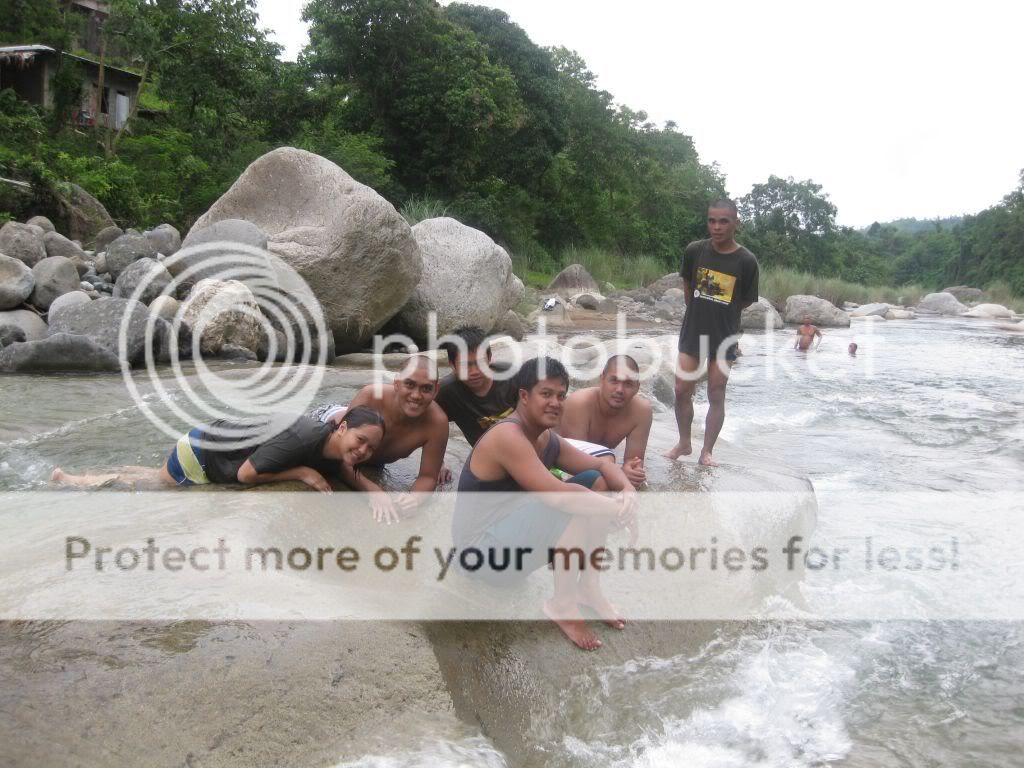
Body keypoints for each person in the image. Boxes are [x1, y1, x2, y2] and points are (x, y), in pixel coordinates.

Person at [453, 356, 638, 651]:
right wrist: (619, 512)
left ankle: (588, 586)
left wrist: (628, 491)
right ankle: (561, 604)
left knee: (593, 481)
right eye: (546, 394)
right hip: (481, 558)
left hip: (511, 542)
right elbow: (558, 496)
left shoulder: (546, 438)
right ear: (524, 397)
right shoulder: (507, 436)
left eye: (561, 396)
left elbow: (603, 467)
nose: (556, 402)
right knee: (570, 501)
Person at [51, 406, 386, 495]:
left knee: (157, 477)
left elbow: (343, 468)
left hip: (207, 441)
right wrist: (301, 473)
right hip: (199, 453)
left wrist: (373, 491)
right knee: (150, 486)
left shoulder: (329, 447)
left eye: (371, 448)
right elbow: (246, 474)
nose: (363, 451)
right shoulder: (303, 438)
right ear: (341, 428)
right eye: (360, 440)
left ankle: (81, 476)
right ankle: (72, 480)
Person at [666, 198, 759, 466]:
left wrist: (723, 313)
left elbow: (746, 300)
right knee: (682, 388)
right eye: (711, 220)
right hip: (693, 331)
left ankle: (707, 451)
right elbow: (688, 287)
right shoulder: (695, 251)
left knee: (716, 392)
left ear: (736, 224)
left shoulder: (746, 261)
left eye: (723, 221)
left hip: (725, 335)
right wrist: (700, 310)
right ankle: (684, 443)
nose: (716, 227)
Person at [311, 355, 449, 523]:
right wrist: (373, 490)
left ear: (436, 390)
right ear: (397, 383)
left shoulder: (437, 423)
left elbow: (428, 477)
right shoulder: (371, 395)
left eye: (426, 389)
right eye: (409, 384)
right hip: (327, 422)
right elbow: (339, 457)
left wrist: (414, 499)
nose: (416, 395)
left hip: (370, 456)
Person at [560, 354, 653, 487]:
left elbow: (635, 461)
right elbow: (573, 462)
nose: (620, 390)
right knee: (603, 481)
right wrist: (619, 474)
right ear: (602, 379)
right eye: (614, 381)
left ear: (637, 387)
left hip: (600, 462)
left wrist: (632, 471)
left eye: (628, 383)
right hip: (560, 463)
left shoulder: (642, 411)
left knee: (637, 485)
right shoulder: (579, 403)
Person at [436, 326, 519, 447]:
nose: (474, 371)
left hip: (524, 444)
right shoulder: (446, 391)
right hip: (486, 456)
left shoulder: (512, 375)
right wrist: (438, 460)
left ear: (490, 358)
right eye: (465, 365)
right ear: (452, 365)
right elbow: (426, 420)